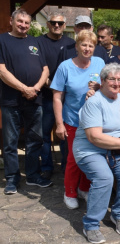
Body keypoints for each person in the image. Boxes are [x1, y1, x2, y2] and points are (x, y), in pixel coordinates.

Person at [73, 63, 120, 243]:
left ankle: (119, 214)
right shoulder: (94, 101)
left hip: (115, 149)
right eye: (112, 79)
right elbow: (94, 137)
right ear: (102, 81)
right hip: (90, 150)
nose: (116, 83)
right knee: (104, 178)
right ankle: (91, 224)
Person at [0, 9, 52, 195]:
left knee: (34, 140)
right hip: (11, 100)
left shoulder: (34, 42)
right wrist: (24, 89)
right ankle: (12, 179)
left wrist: (35, 88)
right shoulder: (2, 40)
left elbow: (45, 69)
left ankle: (32, 175)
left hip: (34, 99)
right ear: (11, 21)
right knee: (10, 142)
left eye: (27, 23)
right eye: (20, 21)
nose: (23, 25)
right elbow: (2, 71)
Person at [51, 30, 105, 209]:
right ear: (76, 46)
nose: (87, 48)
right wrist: (59, 124)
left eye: (91, 45)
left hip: (95, 122)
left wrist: (99, 86)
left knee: (92, 157)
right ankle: (70, 192)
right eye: (84, 44)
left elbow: (106, 88)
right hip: (73, 120)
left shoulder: (99, 63)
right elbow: (57, 97)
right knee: (74, 159)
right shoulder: (65, 67)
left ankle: (84, 188)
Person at [38, 12, 75, 179]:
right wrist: (53, 87)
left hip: (66, 98)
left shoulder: (71, 44)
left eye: (60, 23)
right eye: (53, 22)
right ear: (47, 24)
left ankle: (66, 167)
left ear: (65, 24)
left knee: (65, 135)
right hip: (46, 96)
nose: (57, 25)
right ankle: (46, 167)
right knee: (44, 134)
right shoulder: (39, 42)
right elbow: (37, 68)